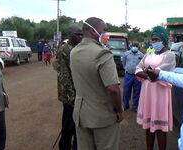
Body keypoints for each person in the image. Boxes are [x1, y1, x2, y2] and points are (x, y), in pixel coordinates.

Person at [70, 17, 124, 150]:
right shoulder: (102, 53)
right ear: (92, 31)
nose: (107, 34)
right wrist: (119, 110)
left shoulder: (74, 52)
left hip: (81, 115)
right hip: (102, 116)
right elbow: (113, 89)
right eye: (104, 30)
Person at [135, 26, 176, 150]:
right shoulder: (148, 54)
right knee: (148, 127)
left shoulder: (169, 56)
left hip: (160, 94)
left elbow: (157, 74)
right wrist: (149, 73)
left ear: (163, 39)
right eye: (152, 40)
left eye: (156, 39)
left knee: (160, 129)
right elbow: (137, 69)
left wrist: (147, 73)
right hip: (147, 93)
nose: (154, 42)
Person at [52, 24, 83, 150]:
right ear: (70, 34)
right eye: (77, 34)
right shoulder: (65, 49)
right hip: (69, 95)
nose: (80, 37)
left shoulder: (77, 48)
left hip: (77, 93)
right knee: (68, 125)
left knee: (77, 124)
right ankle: (64, 146)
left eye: (81, 34)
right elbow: (64, 76)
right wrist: (71, 97)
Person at [122, 41, 144, 112]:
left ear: (138, 47)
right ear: (131, 46)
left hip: (137, 76)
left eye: (136, 46)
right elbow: (124, 63)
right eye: (133, 46)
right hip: (128, 75)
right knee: (126, 90)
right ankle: (125, 105)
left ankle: (135, 106)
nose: (134, 47)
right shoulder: (126, 54)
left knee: (137, 91)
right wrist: (126, 69)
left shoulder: (141, 55)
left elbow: (143, 65)